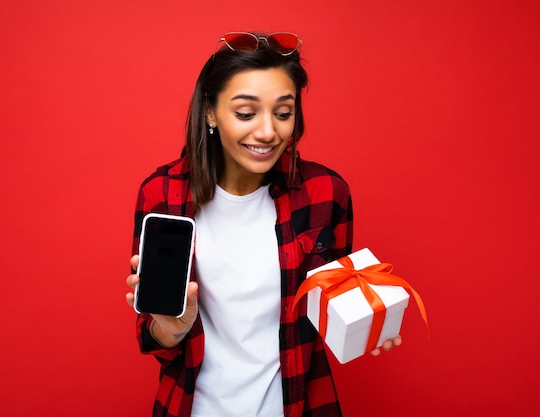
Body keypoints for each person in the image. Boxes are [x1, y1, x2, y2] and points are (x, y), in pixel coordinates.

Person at [125, 31, 402, 417]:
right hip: (193, 407)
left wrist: (368, 322)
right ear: (210, 112)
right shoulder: (162, 195)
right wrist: (172, 326)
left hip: (296, 406)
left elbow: (332, 305)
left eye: (283, 113)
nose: (269, 132)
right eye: (245, 113)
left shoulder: (325, 193)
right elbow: (155, 340)